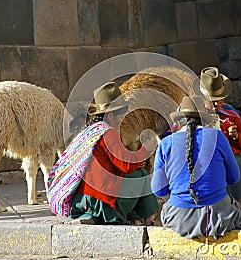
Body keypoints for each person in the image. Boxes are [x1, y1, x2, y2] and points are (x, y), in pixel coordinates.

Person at [47, 82, 158, 225]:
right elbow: (126, 165)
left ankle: (136, 219)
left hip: (82, 200)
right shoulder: (108, 133)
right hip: (99, 201)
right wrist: (146, 149)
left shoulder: (91, 131)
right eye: (122, 112)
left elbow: (117, 161)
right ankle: (149, 220)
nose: (125, 116)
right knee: (141, 176)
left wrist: (136, 160)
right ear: (111, 115)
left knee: (137, 173)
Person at [151, 96, 241, 240]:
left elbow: (158, 189)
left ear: (178, 122)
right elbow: (234, 177)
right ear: (205, 119)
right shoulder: (217, 137)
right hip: (219, 218)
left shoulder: (165, 144)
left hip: (178, 220)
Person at [199, 67, 241, 209]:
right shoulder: (195, 116)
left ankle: (239, 203)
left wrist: (236, 137)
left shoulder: (230, 114)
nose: (216, 104)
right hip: (203, 160)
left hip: (231, 156)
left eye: (219, 100)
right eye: (211, 100)